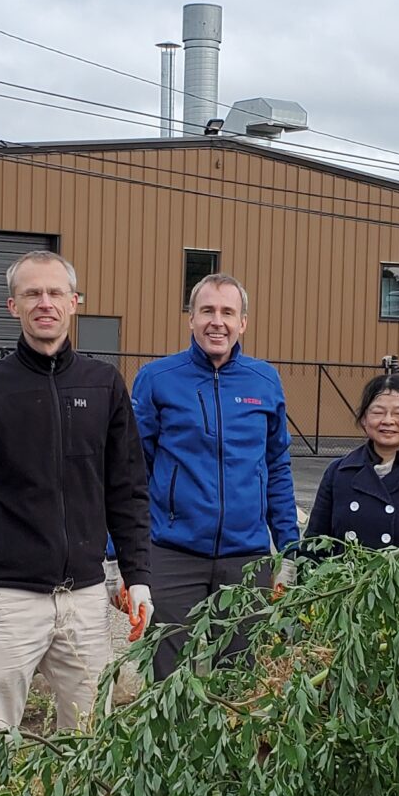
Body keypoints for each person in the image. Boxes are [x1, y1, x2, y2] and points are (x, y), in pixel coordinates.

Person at [0, 251, 154, 737]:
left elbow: (127, 489)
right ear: (13, 306)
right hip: (6, 599)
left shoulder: (104, 385)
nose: (44, 302)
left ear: (74, 302)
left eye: (54, 293)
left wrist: (137, 576)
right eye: (32, 293)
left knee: (89, 738)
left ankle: (75, 795)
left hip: (84, 598)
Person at [130, 273, 300, 679]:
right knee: (170, 680)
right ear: (191, 318)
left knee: (240, 679)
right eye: (207, 311)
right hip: (173, 553)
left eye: (228, 312)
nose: (217, 322)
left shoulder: (264, 381)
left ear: (243, 322)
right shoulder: (157, 378)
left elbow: (277, 466)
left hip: (246, 559)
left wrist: (290, 549)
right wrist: (119, 555)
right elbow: (132, 471)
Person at [304, 373, 399, 554]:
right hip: (347, 573)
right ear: (364, 418)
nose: (388, 420)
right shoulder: (339, 473)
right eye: (378, 412)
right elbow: (315, 543)